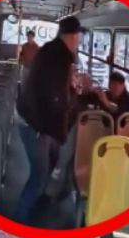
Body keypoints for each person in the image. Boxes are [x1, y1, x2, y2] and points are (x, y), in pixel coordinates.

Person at [13, 16, 83, 225]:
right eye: (78, 38)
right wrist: (61, 131)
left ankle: (37, 208)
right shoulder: (60, 57)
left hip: (32, 118)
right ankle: (18, 223)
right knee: (38, 177)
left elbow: (56, 91)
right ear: (73, 36)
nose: (78, 42)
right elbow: (56, 98)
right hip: (35, 123)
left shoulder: (51, 51)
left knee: (45, 168)